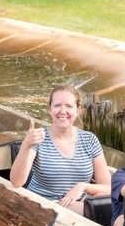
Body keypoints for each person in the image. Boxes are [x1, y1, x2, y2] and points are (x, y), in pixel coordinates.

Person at [9, 85, 111, 215]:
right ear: (49, 109)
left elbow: (108, 188)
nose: (63, 111)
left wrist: (83, 186)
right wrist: (26, 145)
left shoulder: (90, 140)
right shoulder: (38, 138)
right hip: (43, 207)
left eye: (69, 106)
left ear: (78, 110)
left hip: (80, 204)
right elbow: (16, 182)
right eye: (57, 106)